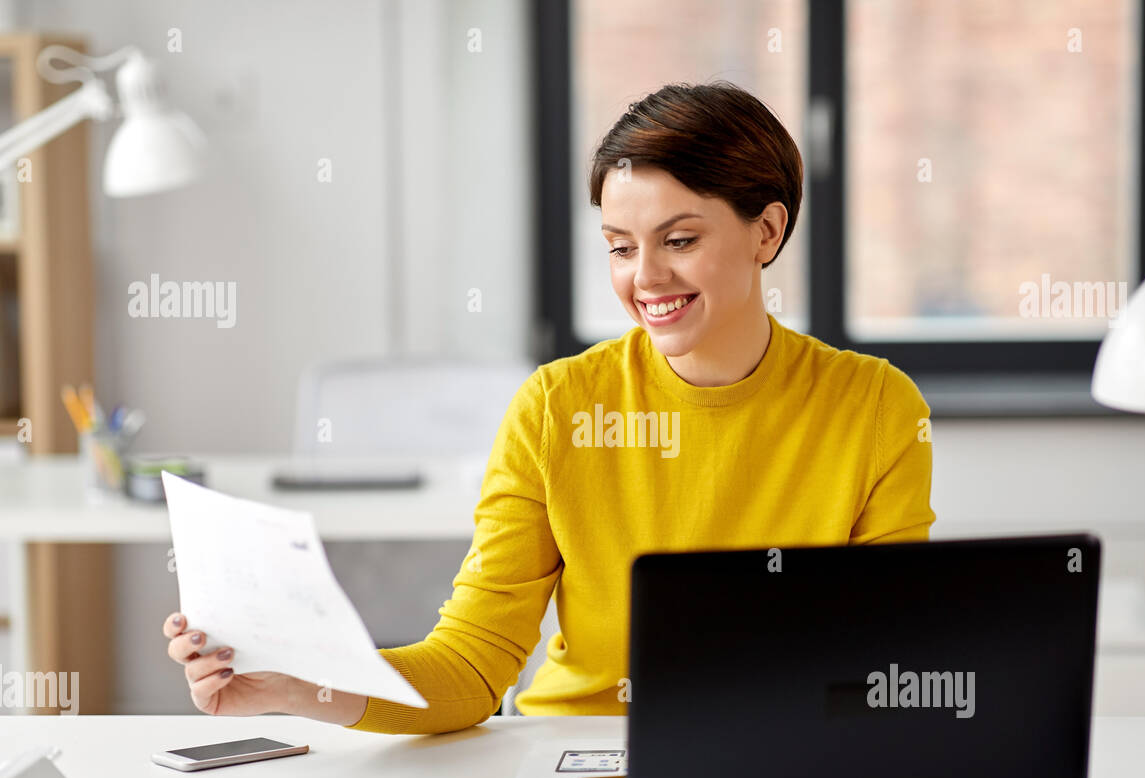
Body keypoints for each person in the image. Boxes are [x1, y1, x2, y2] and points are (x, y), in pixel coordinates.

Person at [161, 80, 937, 735]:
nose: (646, 278)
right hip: (576, 752)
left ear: (766, 230)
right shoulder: (559, 406)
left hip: (784, 754)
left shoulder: (874, 407)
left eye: (680, 239)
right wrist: (306, 685)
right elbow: (471, 661)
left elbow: (889, 661)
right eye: (620, 246)